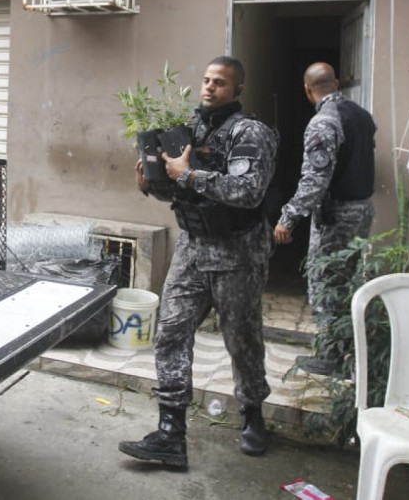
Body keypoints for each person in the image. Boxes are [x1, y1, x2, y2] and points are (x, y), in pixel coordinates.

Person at [119, 56, 278, 470]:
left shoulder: (251, 133)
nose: (209, 88)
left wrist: (188, 175)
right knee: (170, 332)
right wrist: (150, 184)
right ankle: (171, 433)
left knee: (241, 339)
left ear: (237, 89)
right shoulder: (188, 130)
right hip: (192, 248)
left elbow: (248, 191)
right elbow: (175, 191)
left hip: (237, 254)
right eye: (206, 81)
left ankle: (252, 414)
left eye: (220, 83)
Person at [273, 62, 376, 376]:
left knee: (325, 284)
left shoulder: (323, 123)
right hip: (362, 209)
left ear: (307, 89)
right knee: (346, 282)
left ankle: (331, 357)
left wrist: (287, 218)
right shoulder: (361, 115)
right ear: (338, 82)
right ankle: (346, 352)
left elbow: (315, 180)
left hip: (337, 216)